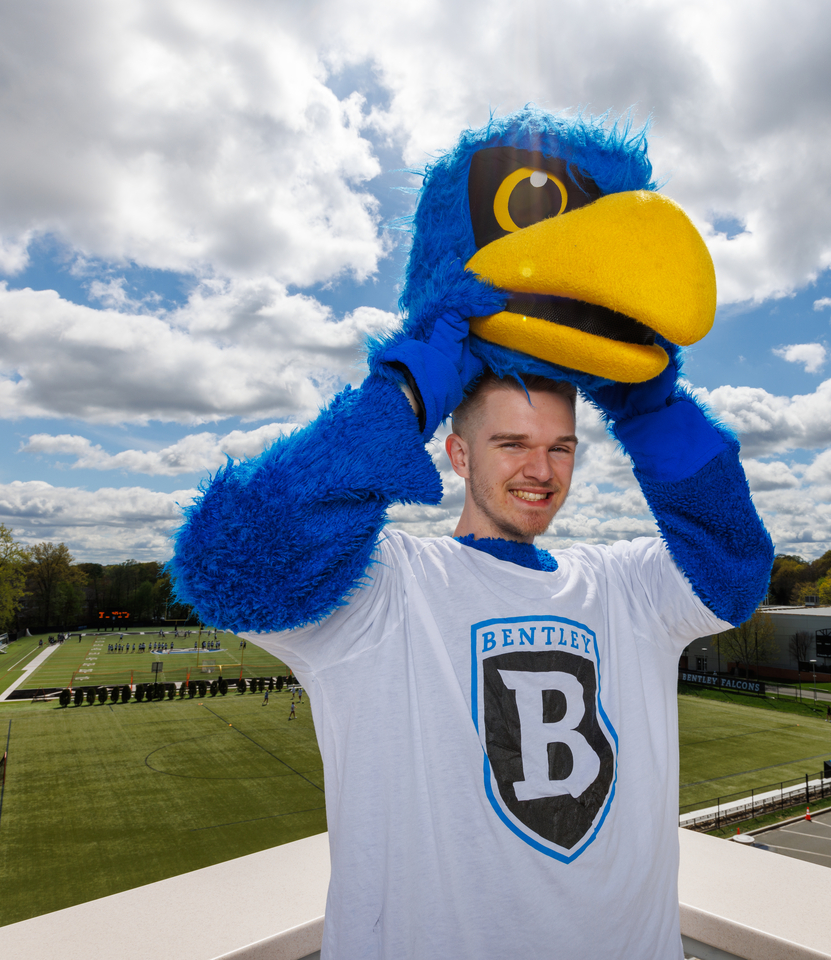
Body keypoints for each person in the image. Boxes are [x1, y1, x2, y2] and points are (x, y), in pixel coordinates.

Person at [170, 121, 772, 959]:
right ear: (454, 451)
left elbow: (734, 569)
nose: (542, 470)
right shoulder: (383, 589)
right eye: (512, 444)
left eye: (562, 446)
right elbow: (238, 567)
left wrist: (651, 405)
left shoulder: (623, 587)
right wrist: (406, 391)